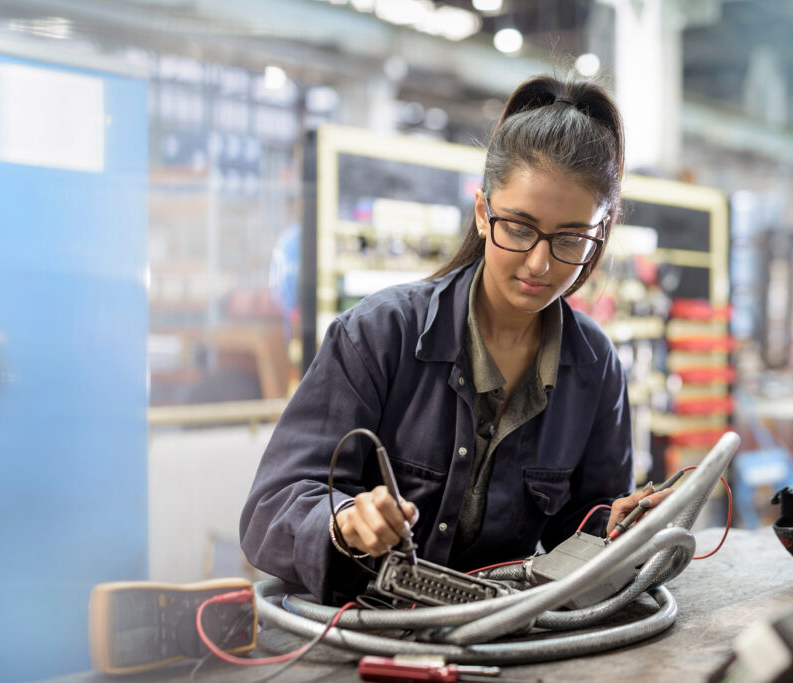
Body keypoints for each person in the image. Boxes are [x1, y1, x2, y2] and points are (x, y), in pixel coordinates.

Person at [240, 74, 671, 605]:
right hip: (362, 629)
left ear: (598, 236)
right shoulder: (380, 335)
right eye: (519, 227)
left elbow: (579, 530)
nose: (540, 263)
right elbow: (271, 508)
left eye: (570, 239)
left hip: (497, 634)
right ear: (483, 212)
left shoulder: (595, 366)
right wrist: (345, 521)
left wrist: (615, 528)